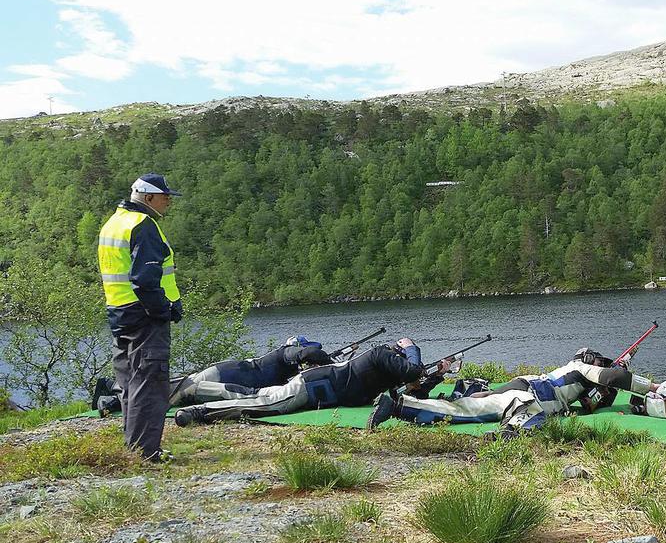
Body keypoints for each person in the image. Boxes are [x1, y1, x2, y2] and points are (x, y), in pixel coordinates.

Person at [367, 348, 666, 436]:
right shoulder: (580, 370)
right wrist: (652, 387)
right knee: (472, 414)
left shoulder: (571, 374)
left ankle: (398, 405)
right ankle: (398, 406)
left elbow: (589, 403)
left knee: (464, 408)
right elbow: (612, 376)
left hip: (519, 389)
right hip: (527, 398)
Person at [97, 173, 183, 462]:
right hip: (145, 315)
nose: (168, 201)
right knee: (150, 380)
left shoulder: (114, 222)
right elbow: (145, 279)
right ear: (148, 198)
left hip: (119, 312)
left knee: (129, 381)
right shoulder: (143, 225)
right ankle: (146, 453)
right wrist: (164, 310)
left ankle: (134, 449)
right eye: (164, 196)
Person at [173, 338, 451, 425]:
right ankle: (199, 409)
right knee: (265, 404)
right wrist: (413, 348)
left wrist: (437, 375)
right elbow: (413, 372)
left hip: (315, 387)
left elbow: (412, 391)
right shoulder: (380, 354)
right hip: (312, 385)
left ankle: (198, 393)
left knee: (258, 396)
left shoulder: (384, 377)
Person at [92, 335, 334, 415]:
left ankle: (114, 392)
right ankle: (112, 394)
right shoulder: (286, 353)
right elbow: (309, 352)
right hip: (224, 377)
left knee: (170, 389)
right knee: (169, 396)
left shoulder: (285, 364)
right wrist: (327, 360)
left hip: (223, 372)